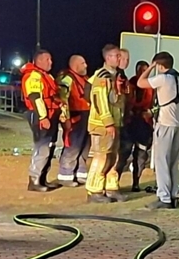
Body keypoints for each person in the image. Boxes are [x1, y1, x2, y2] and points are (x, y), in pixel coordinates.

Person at [137, 52, 179, 209]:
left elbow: (141, 82)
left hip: (165, 124)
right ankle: (174, 196)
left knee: (161, 162)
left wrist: (151, 67)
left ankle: (164, 198)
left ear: (160, 66)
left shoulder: (162, 79)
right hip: (177, 125)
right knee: (173, 162)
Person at [84, 44, 127, 203]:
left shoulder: (115, 76)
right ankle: (94, 189)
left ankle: (111, 187)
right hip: (102, 125)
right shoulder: (102, 76)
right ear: (108, 58)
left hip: (114, 123)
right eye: (117, 56)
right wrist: (108, 122)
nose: (120, 58)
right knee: (101, 157)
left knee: (113, 157)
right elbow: (100, 100)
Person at [20, 49, 63, 192]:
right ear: (38, 61)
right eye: (47, 60)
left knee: (49, 147)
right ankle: (34, 180)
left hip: (50, 115)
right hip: (40, 115)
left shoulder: (45, 76)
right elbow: (35, 97)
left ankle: (42, 179)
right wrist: (43, 117)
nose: (51, 62)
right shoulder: (34, 76)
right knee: (42, 147)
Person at [118, 60, 155, 192]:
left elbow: (156, 104)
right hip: (130, 123)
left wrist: (150, 112)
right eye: (140, 70)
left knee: (141, 155)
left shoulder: (152, 85)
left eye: (144, 70)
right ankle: (114, 182)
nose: (142, 73)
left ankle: (136, 183)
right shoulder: (129, 84)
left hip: (144, 124)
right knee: (123, 154)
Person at [56, 55, 90, 187]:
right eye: (83, 63)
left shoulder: (85, 79)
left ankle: (80, 173)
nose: (86, 65)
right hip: (75, 117)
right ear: (75, 65)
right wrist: (66, 119)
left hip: (86, 116)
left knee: (85, 147)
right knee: (73, 147)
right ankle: (66, 175)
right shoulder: (68, 79)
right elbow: (63, 100)